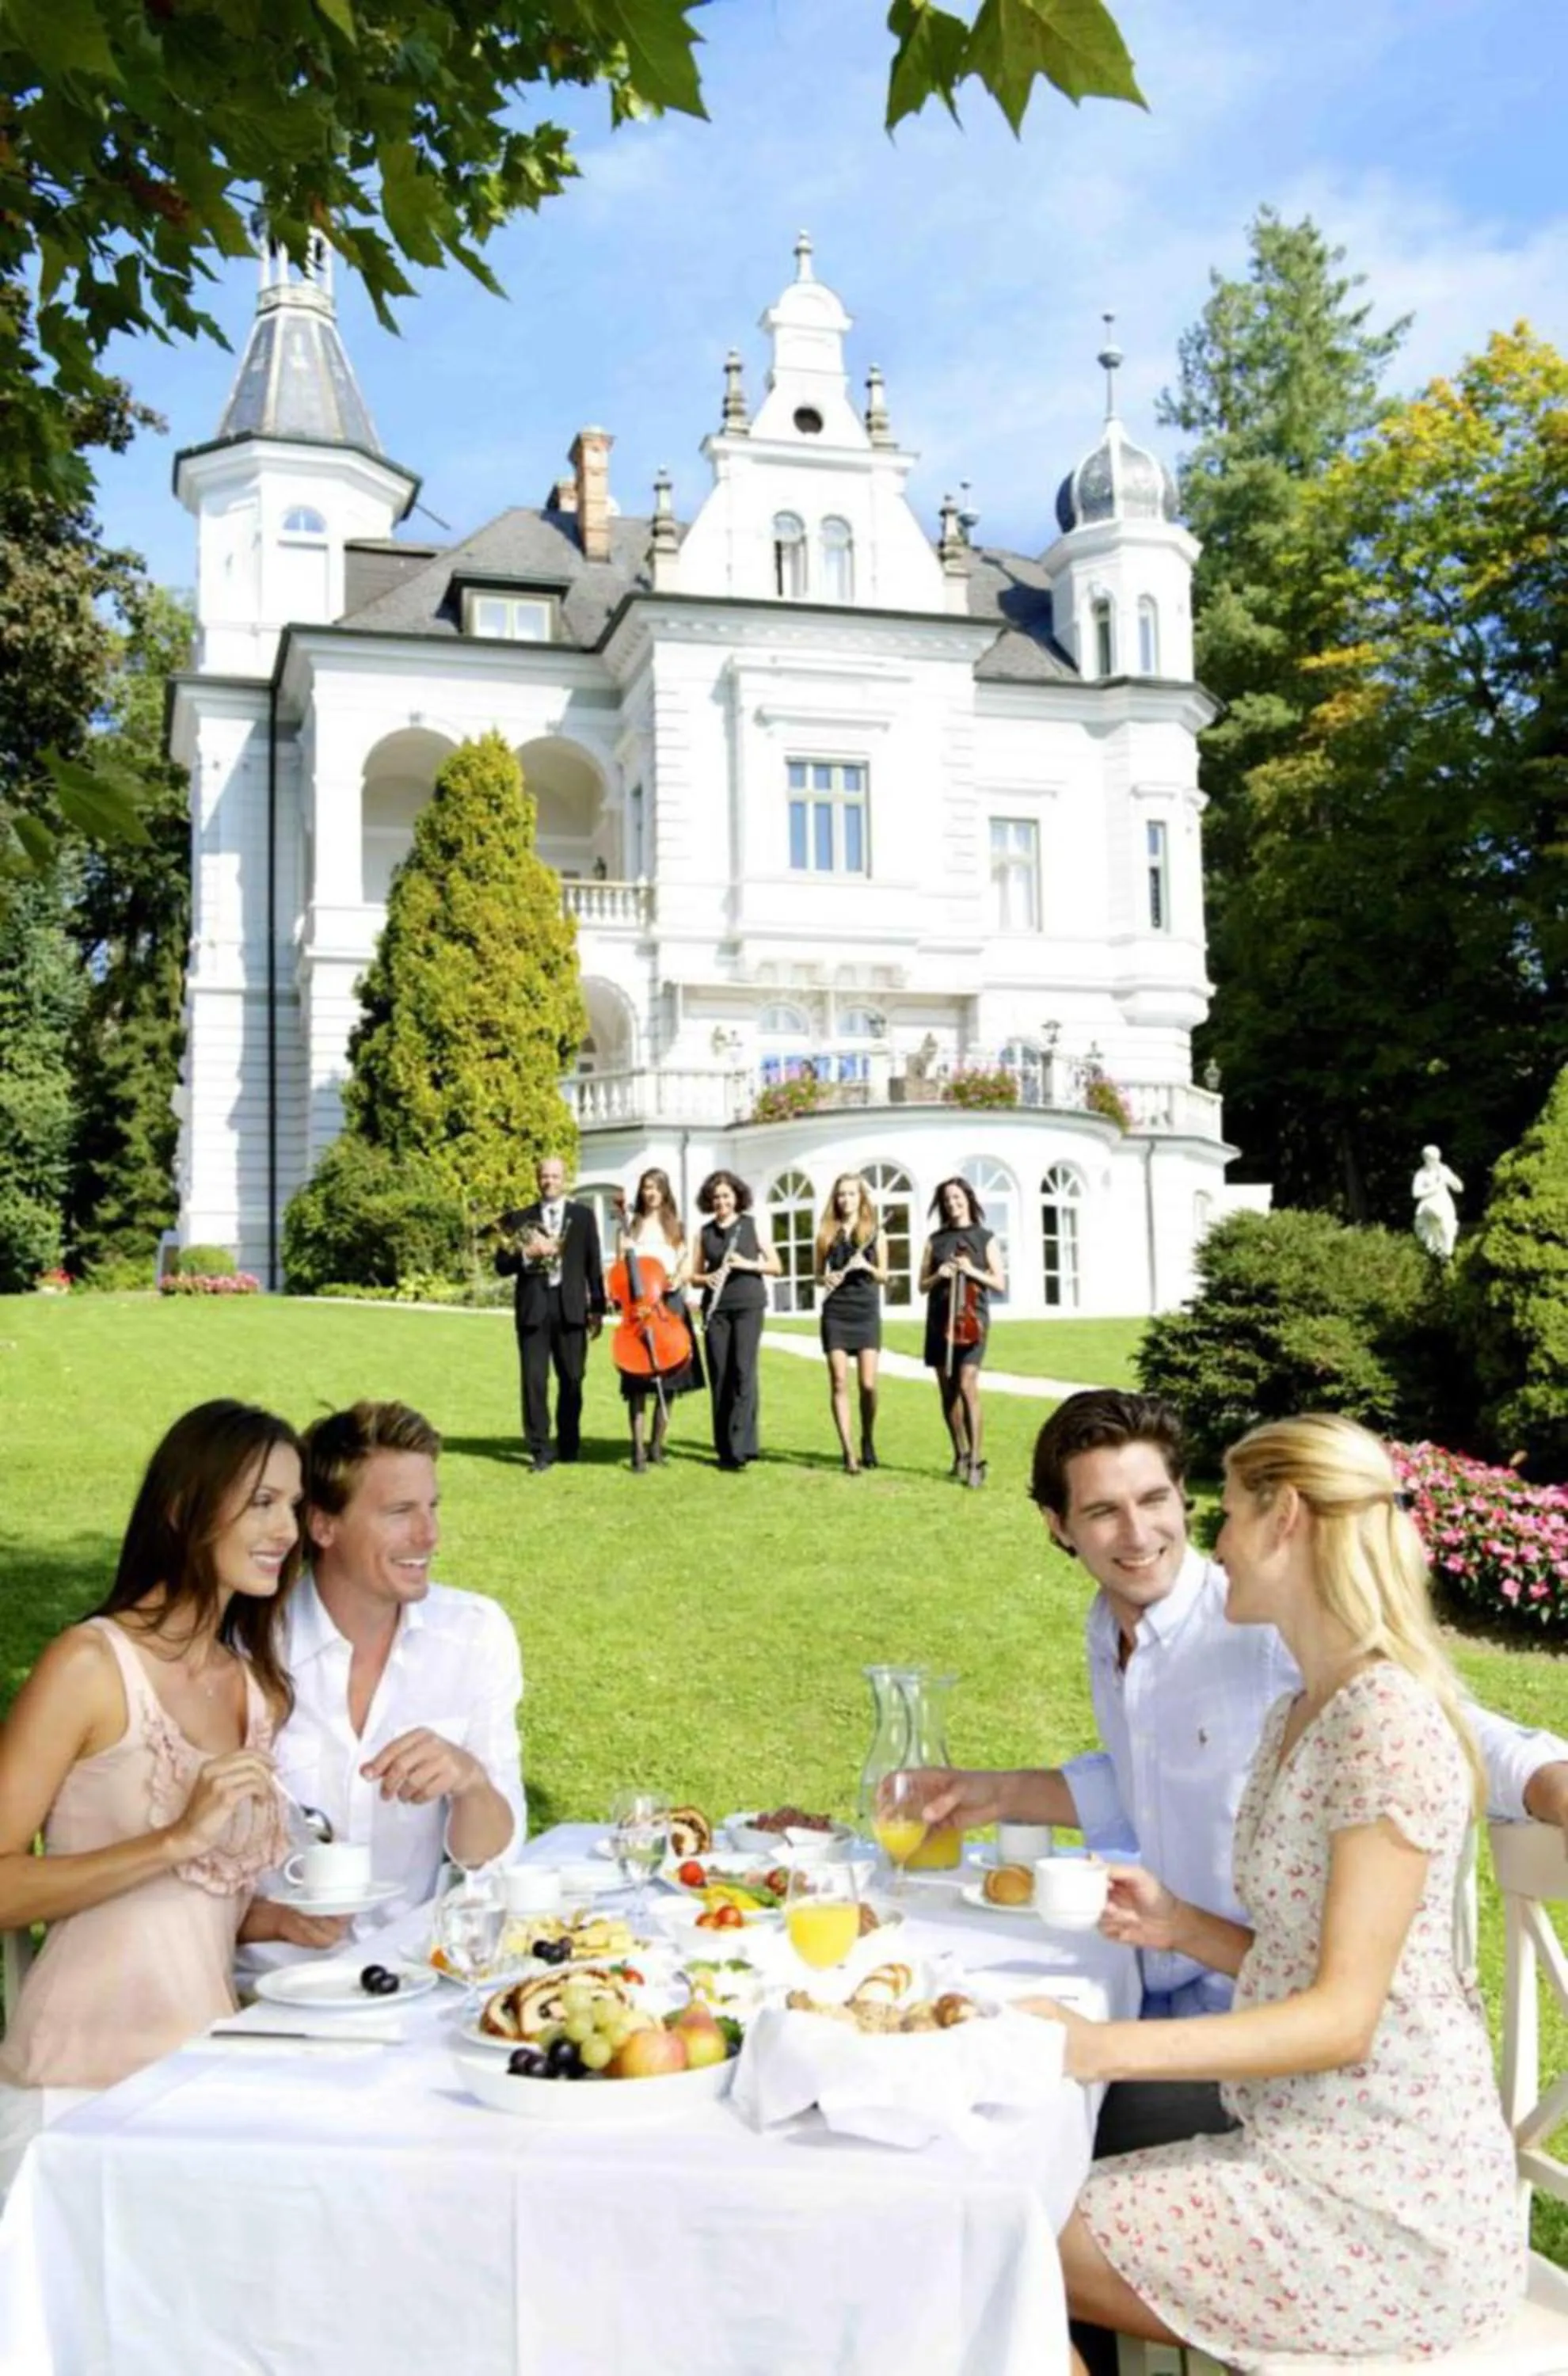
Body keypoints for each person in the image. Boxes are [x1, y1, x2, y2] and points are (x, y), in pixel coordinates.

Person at [906, 1386, 1568, 2374]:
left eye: (1211, 1506)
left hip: (1381, 2197)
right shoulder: (1300, 1702)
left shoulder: (1369, 1712)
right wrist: (1180, 1926)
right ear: (1062, 1528)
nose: (1194, 1540)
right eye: (1102, 1512)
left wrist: (1092, 2048)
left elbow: (1347, 2016)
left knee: (980, 2234)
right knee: (988, 2196)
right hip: (1301, 2130)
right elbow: (1280, 1927)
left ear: (1285, 1520)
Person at [0, 1401, 304, 2194]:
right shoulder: (90, 1666)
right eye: (263, 1502)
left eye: (295, 1506)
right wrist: (173, 1840)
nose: (289, 1530)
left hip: (204, 2089)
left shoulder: (255, 1690)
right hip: (77, 2097)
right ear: (182, 1509)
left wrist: (283, 1920)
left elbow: (197, 1911)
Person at [244, 1400, 524, 1964]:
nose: (429, 1535)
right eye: (400, 1512)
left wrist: (469, 1782)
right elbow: (186, 1885)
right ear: (323, 1524)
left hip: (415, 1982)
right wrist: (277, 1922)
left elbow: (490, 1861)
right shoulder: (246, 1650)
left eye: (432, 1507)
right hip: (271, 1998)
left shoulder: (474, 1634)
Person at [496, 1152, 606, 1472]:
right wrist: (527, 1255)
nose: (550, 1182)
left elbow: (593, 1264)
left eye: (556, 1176)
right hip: (534, 1309)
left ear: (565, 1178)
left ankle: (569, 1443)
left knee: (573, 1378)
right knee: (534, 1382)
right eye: (545, 1176)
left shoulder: (583, 1217)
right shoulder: (519, 1218)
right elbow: (501, 1265)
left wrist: (597, 1308)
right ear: (537, 1179)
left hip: (571, 1307)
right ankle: (540, 1449)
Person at [611, 1167, 703, 1473]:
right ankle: (637, 1449)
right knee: (637, 1384)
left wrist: (679, 1278)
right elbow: (619, 1273)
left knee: (670, 1380)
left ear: (665, 1192)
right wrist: (622, 1253)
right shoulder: (630, 1229)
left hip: (668, 1306)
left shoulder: (677, 1227)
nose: (651, 1193)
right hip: (638, 1310)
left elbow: (687, 1266)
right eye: (646, 1187)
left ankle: (656, 1446)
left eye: (656, 1188)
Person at [918, 1177, 1006, 1487]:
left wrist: (971, 1271)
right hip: (939, 1320)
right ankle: (960, 1453)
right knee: (948, 1391)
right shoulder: (935, 1240)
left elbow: (999, 1283)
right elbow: (921, 1286)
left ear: (967, 1199)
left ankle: (977, 1460)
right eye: (946, 1200)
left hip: (972, 1320)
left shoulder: (985, 1238)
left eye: (957, 1197)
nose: (952, 1204)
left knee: (967, 1384)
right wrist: (938, 1275)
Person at [691, 1171, 780, 1472]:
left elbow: (776, 1265)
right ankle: (725, 1447)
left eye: (726, 1196)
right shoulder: (704, 1233)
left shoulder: (751, 1226)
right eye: (716, 1197)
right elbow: (694, 1275)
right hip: (716, 1310)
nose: (721, 1202)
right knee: (720, 1374)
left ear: (736, 1197)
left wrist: (746, 1264)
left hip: (748, 1305)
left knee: (743, 1371)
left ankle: (739, 1447)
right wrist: (708, 1278)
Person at [814, 1172, 888, 1474]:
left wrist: (867, 1265)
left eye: (852, 1194)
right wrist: (826, 1277)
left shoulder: (875, 1231)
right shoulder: (825, 1233)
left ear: (861, 1198)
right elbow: (817, 1274)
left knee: (868, 1385)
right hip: (836, 1312)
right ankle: (849, 1454)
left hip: (865, 1310)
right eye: (841, 1194)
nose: (846, 1200)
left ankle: (867, 1437)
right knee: (839, 1382)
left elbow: (885, 1275)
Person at [1412, 1142, 1463, 1260]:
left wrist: (1451, 1179)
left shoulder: (1443, 1169)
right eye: (1430, 1159)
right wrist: (1437, 1187)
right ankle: (1435, 1252)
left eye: (1435, 1158)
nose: (1434, 1161)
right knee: (1431, 1231)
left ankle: (1447, 1253)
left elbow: (1459, 1188)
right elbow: (1416, 1193)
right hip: (1428, 1204)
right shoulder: (1421, 1173)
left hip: (1444, 1202)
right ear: (1425, 1159)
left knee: (1447, 1227)